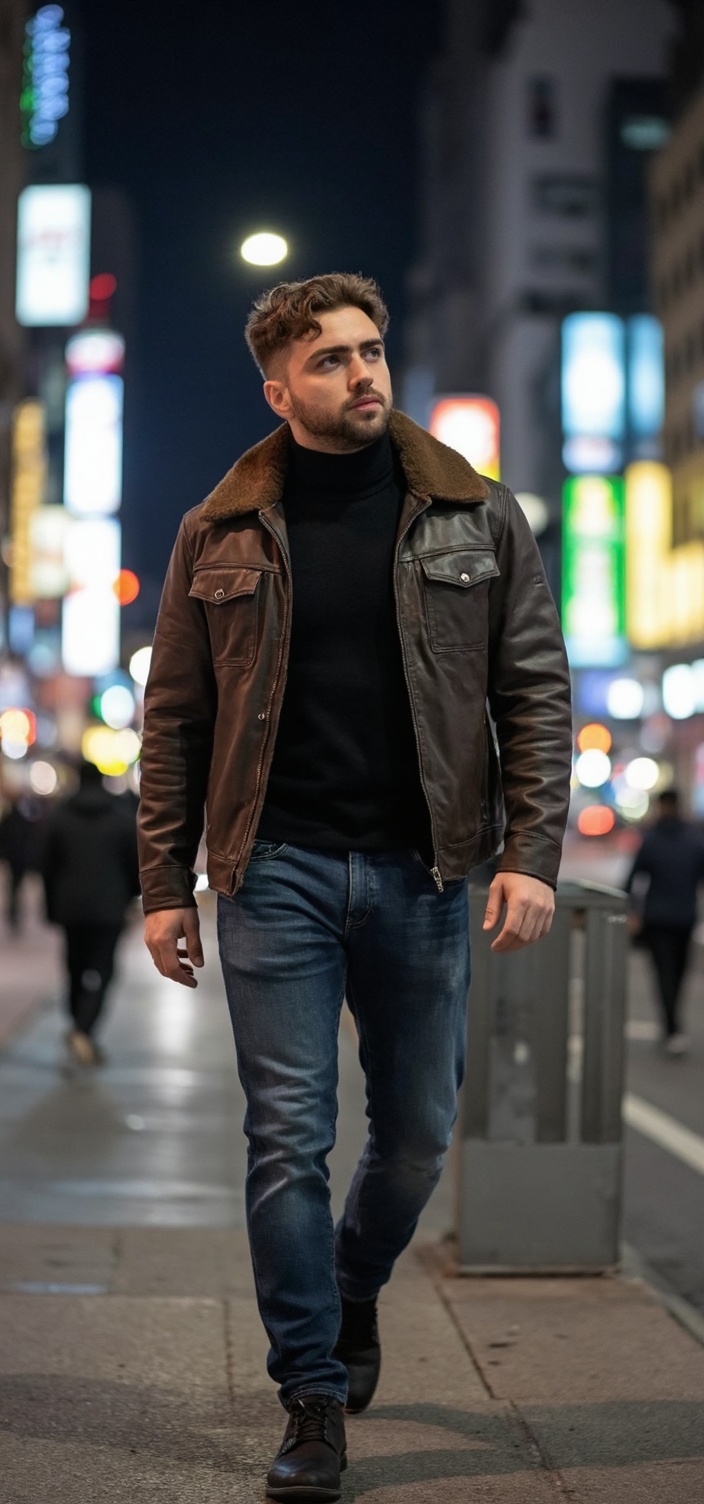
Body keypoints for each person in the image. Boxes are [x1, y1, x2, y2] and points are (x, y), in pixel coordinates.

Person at [138, 272, 572, 1502]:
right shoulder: (217, 531)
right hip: (271, 870)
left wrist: (529, 855)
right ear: (278, 389)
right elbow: (172, 719)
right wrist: (165, 884)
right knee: (288, 1138)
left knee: (419, 1135)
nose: (362, 374)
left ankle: (352, 1283)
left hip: (423, 871)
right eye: (328, 360)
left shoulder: (473, 514)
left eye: (371, 351)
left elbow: (532, 692)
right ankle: (311, 1395)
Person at [40, 759, 140, 1067]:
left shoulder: (58, 816)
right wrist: (131, 897)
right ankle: (84, 1028)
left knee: (74, 968)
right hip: (109, 907)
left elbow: (47, 866)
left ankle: (79, 1026)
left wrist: (51, 905)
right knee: (105, 970)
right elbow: (133, 864)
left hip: (71, 907)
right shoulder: (121, 818)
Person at [625, 788, 704, 1054]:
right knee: (680, 973)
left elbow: (632, 879)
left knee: (664, 974)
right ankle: (673, 1026)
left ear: (660, 807)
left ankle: (671, 1027)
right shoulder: (694, 841)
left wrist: (631, 911)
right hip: (685, 917)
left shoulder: (651, 840)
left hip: (656, 918)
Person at [0, 795, 37, 932]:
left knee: (14, 886)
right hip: (20, 858)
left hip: (13, 858)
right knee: (17, 885)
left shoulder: (9, 819)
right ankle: (15, 910)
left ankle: (13, 910)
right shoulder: (23, 820)